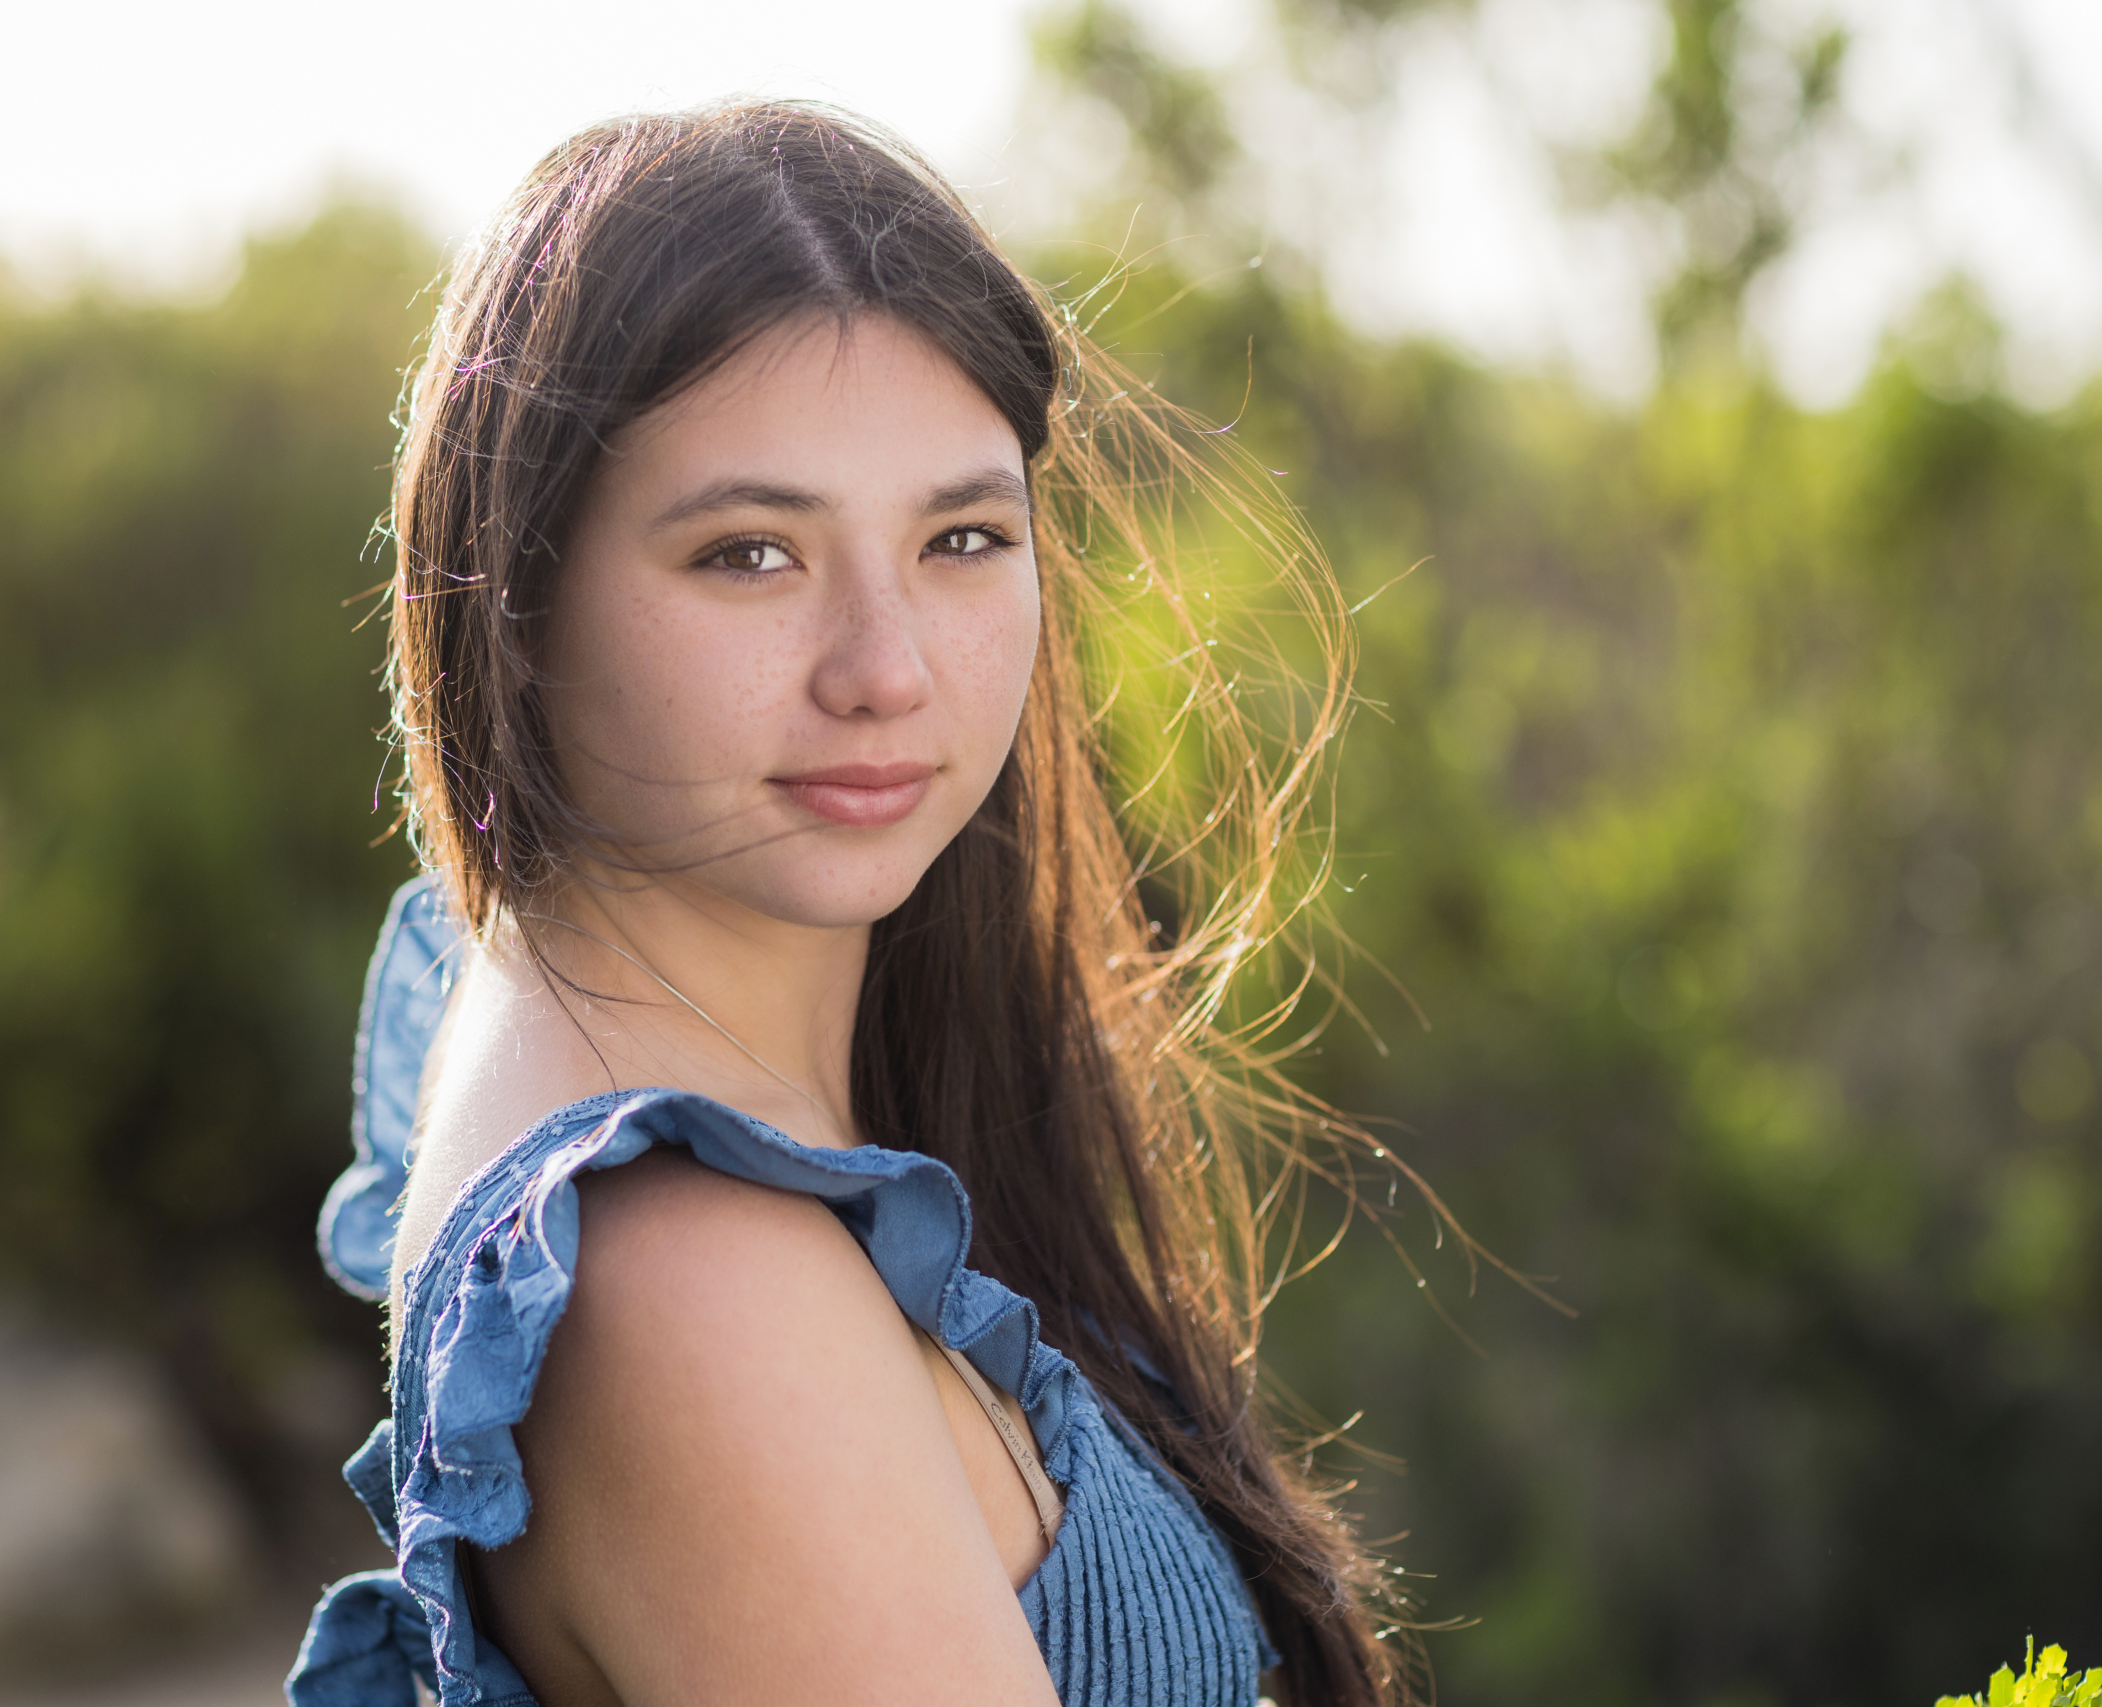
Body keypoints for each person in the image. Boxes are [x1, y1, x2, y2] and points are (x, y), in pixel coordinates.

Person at [286, 101, 1403, 1707]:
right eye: (752, 555)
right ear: (509, 597)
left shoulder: (550, 992)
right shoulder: (699, 1288)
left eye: (962, 537)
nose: (887, 671)